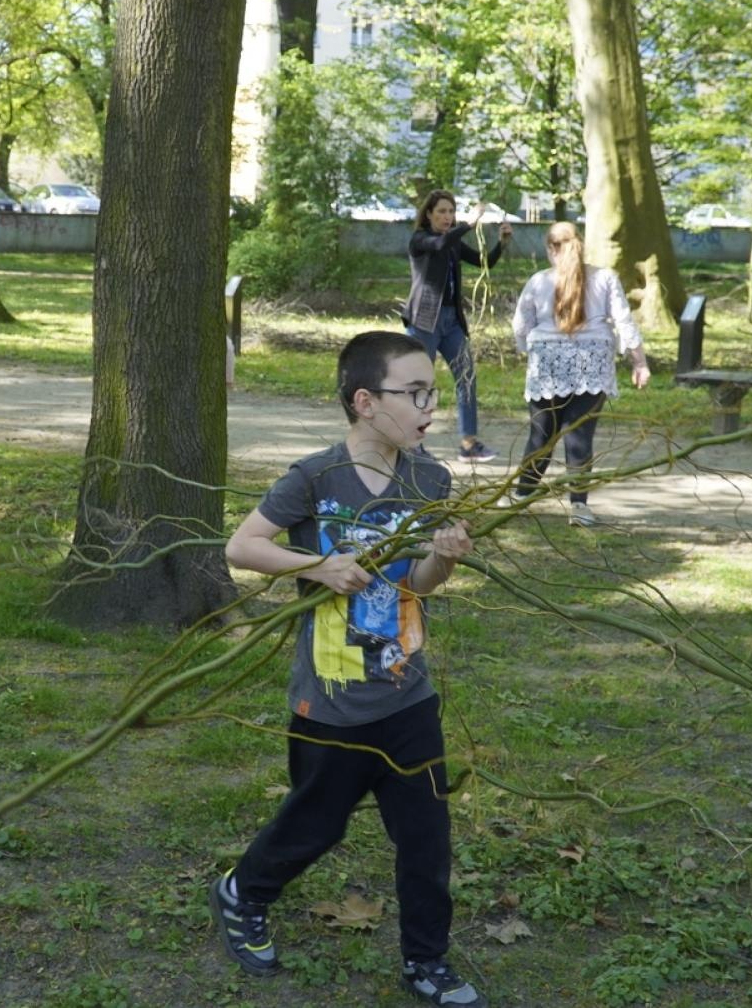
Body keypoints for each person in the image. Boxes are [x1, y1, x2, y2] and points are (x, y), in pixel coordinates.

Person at [212, 330, 486, 1007]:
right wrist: (317, 565)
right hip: (331, 699)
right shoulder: (315, 477)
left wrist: (444, 557)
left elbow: (417, 582)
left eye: (434, 392)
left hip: (406, 690)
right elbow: (242, 545)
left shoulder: (430, 479)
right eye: (414, 392)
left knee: (426, 834)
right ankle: (242, 891)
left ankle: (427, 960)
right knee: (317, 823)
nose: (430, 407)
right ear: (365, 401)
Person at [509, 221, 649, 526]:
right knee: (580, 435)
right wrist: (639, 362)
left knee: (541, 433)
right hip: (592, 363)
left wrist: (527, 349)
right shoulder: (606, 278)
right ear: (580, 244)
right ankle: (579, 507)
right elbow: (624, 322)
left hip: (547, 362)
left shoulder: (538, 281)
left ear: (549, 248)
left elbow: (521, 326)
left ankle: (521, 497)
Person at [403, 190, 511, 464]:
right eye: (441, 212)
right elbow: (438, 245)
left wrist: (501, 243)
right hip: (425, 321)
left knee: (467, 378)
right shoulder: (420, 240)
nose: (447, 217)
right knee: (419, 385)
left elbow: (483, 262)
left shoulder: (452, 242)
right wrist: (468, 225)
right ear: (428, 214)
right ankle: (410, 444)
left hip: (452, 322)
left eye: (451, 212)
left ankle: (469, 444)